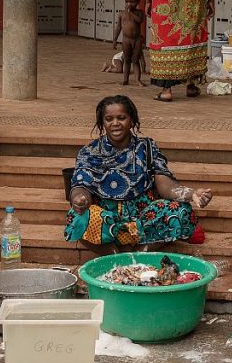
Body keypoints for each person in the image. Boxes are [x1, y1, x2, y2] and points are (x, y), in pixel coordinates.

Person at [65, 95, 211, 249]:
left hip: (144, 218)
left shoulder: (147, 147)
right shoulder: (89, 152)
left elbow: (165, 184)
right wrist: (79, 199)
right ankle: (113, 257)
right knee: (77, 217)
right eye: (109, 119)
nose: (115, 123)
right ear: (103, 122)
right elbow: (80, 184)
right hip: (106, 218)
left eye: (121, 118)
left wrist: (191, 193)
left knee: (181, 211)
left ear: (132, 121)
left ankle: (141, 254)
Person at [112, 0, 146, 86]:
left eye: (132, 2)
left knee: (135, 60)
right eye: (127, 2)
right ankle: (125, 79)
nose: (129, 4)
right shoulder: (122, 14)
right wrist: (114, 40)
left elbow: (139, 21)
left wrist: (131, 13)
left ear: (138, 2)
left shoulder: (139, 12)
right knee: (126, 60)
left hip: (137, 40)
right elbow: (118, 27)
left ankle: (137, 80)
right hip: (126, 40)